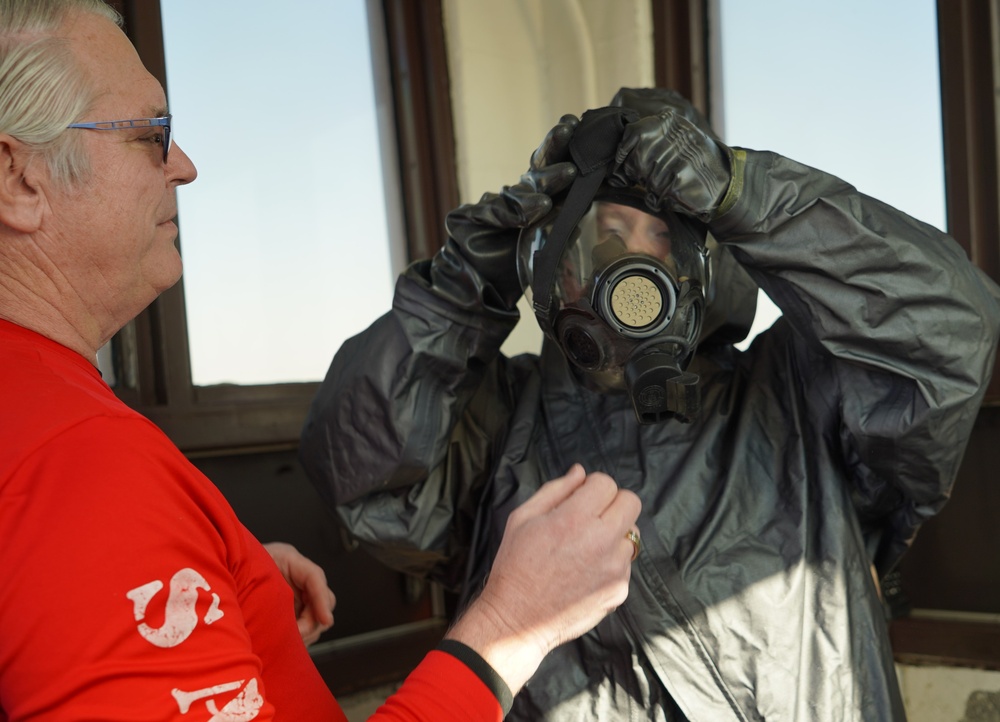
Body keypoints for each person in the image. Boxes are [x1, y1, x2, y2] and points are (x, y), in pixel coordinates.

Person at [0, 1, 643, 720]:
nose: (184, 166)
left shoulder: (40, 424)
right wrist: (509, 629)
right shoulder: (76, 467)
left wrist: (221, 587)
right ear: (17, 179)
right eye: (152, 133)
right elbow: (362, 456)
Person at [300, 86, 1000, 720]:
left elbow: (949, 327)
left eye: (663, 234)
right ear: (560, 260)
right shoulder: (500, 417)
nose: (631, 260)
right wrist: (461, 286)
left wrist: (742, 194)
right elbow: (364, 473)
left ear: (710, 259)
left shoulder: (798, 387)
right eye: (605, 233)